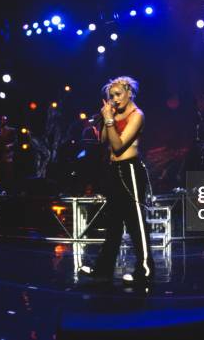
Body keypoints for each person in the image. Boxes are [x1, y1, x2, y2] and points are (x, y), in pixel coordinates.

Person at [79, 76, 154, 284]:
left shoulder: (137, 115)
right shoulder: (114, 114)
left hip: (130, 169)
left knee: (136, 222)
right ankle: (103, 269)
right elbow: (104, 140)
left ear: (129, 93)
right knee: (113, 224)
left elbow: (119, 145)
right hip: (114, 170)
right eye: (111, 96)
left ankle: (145, 270)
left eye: (118, 94)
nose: (114, 99)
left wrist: (110, 120)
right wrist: (106, 118)